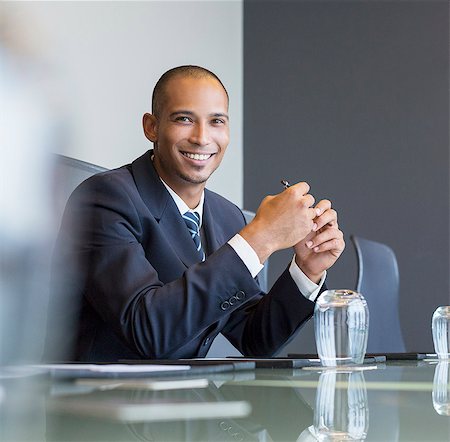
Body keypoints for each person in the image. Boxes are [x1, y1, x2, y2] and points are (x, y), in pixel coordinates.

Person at [49, 65, 345, 362]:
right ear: (152, 127)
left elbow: (254, 339)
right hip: (100, 402)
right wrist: (261, 237)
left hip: (188, 400)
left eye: (217, 121)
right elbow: (148, 330)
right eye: (184, 119)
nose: (202, 137)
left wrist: (306, 271)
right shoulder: (104, 198)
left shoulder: (226, 215)